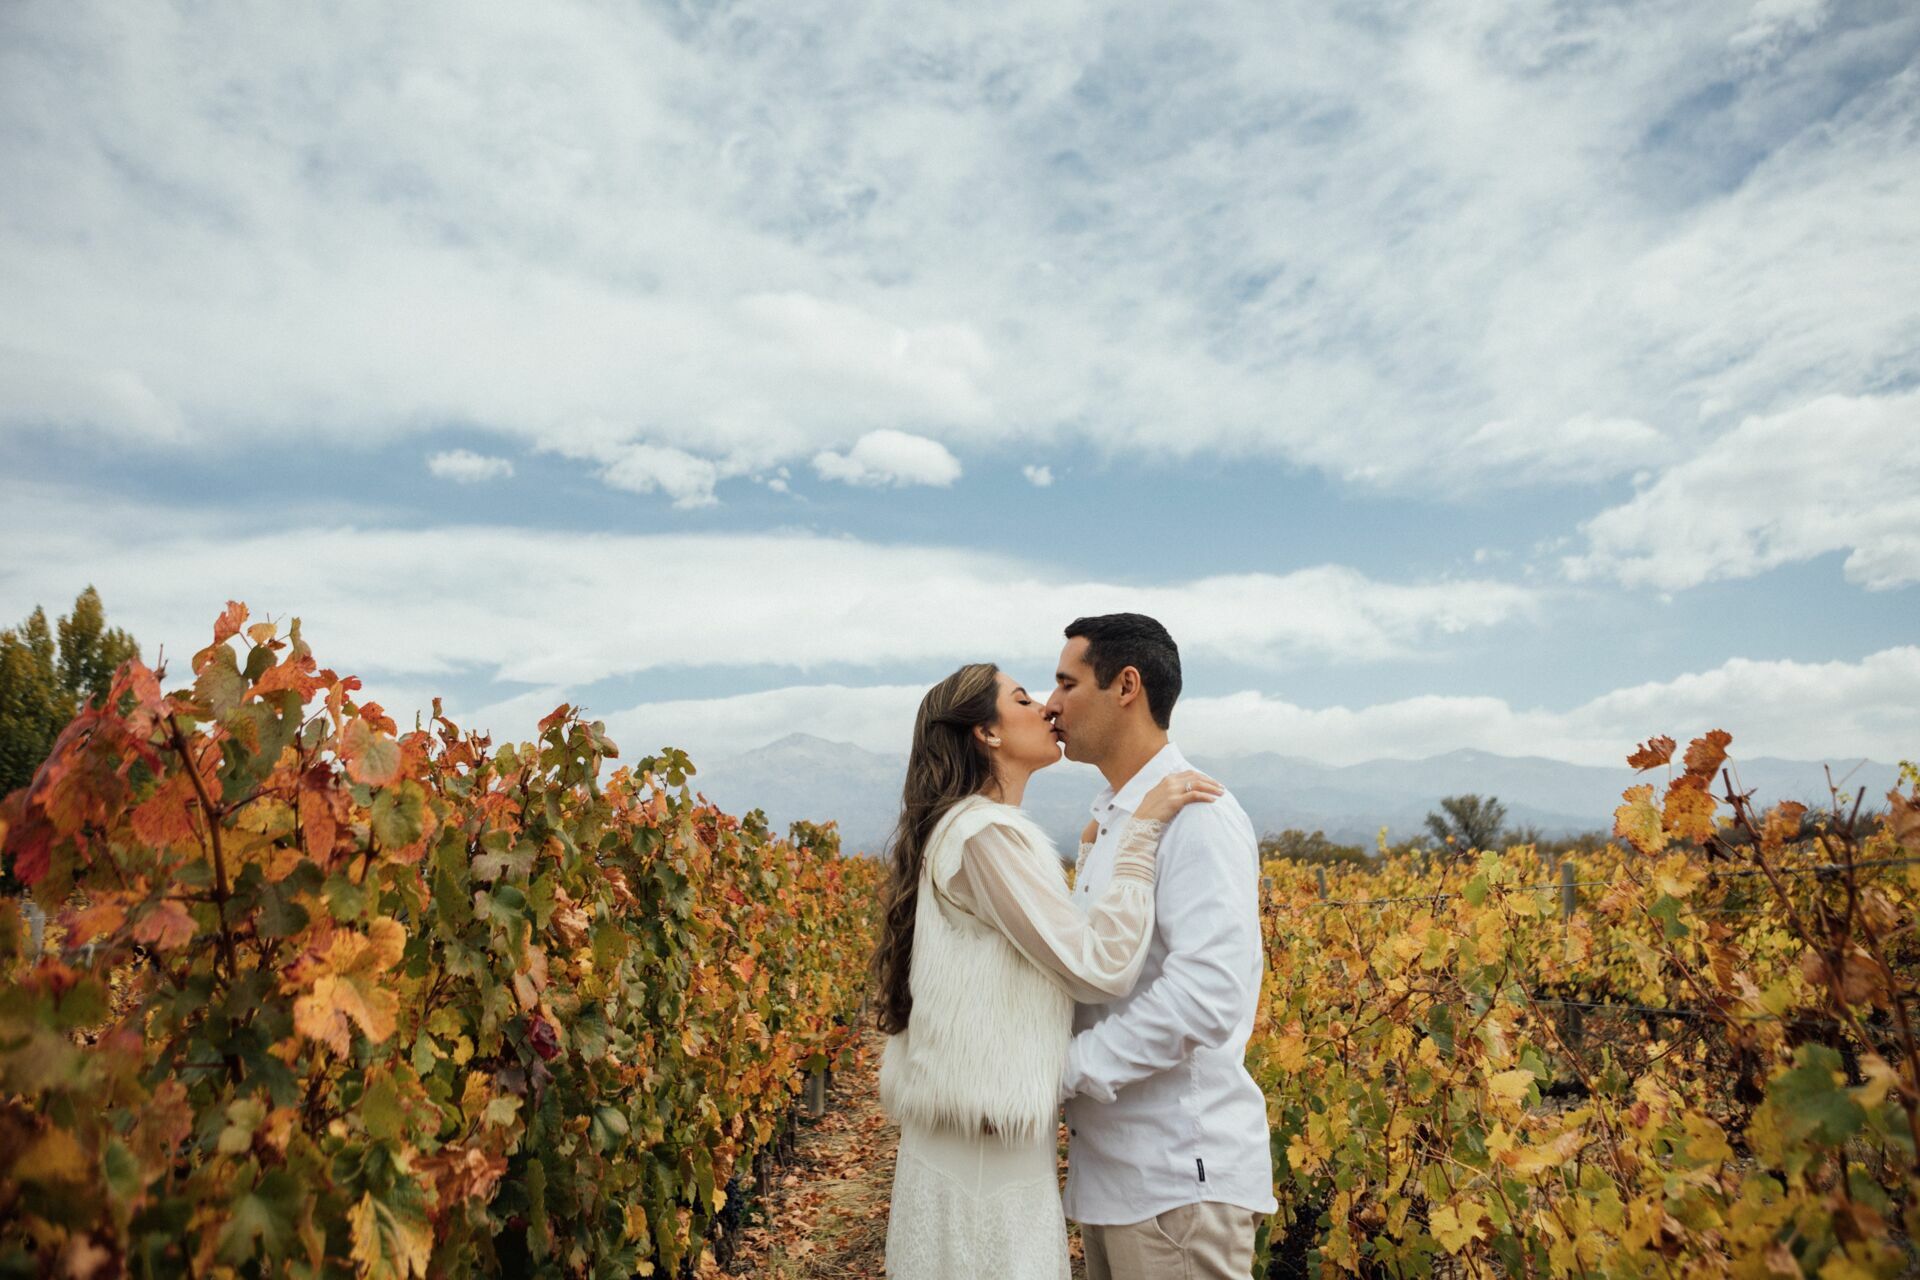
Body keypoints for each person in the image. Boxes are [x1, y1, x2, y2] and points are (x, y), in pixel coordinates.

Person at [874, 661, 1222, 1279]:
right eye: (1024, 698)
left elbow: (1029, 946)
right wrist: (1138, 838)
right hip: (986, 1154)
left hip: (977, 1138)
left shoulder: (973, 832)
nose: (1047, 710)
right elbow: (1098, 966)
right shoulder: (987, 837)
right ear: (988, 733)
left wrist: (1092, 853)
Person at [1045, 612, 1276, 1280]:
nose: (1052, 704)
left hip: (1177, 1180)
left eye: (1067, 682)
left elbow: (1207, 996)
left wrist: (1064, 1070)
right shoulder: (1117, 819)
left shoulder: (1197, 815)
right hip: (1119, 1181)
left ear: (1126, 686)